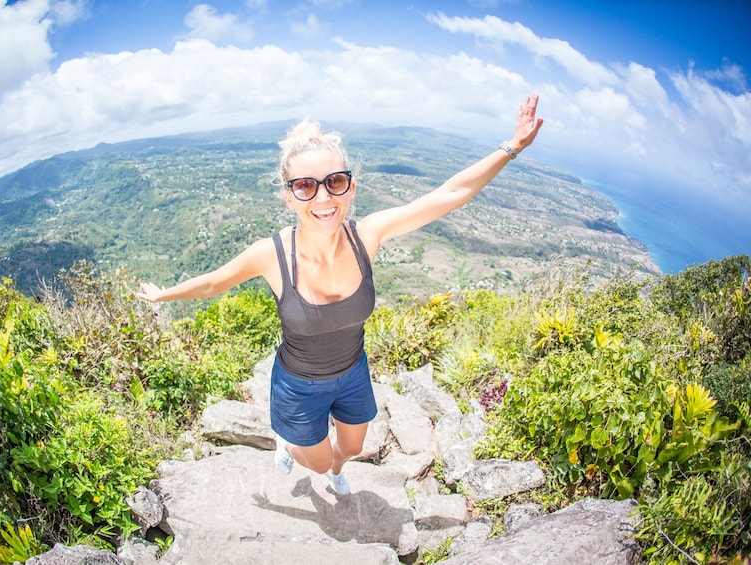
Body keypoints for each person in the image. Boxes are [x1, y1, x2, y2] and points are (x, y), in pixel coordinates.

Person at [136, 93, 543, 496]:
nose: (324, 198)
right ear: (288, 195)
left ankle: (334, 468)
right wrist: (164, 295)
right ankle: (290, 441)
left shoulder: (366, 237)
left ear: (351, 184)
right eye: (305, 186)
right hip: (298, 383)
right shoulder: (273, 255)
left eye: (334, 181)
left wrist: (512, 147)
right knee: (312, 461)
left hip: (352, 372)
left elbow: (448, 196)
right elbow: (213, 283)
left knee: (350, 448)